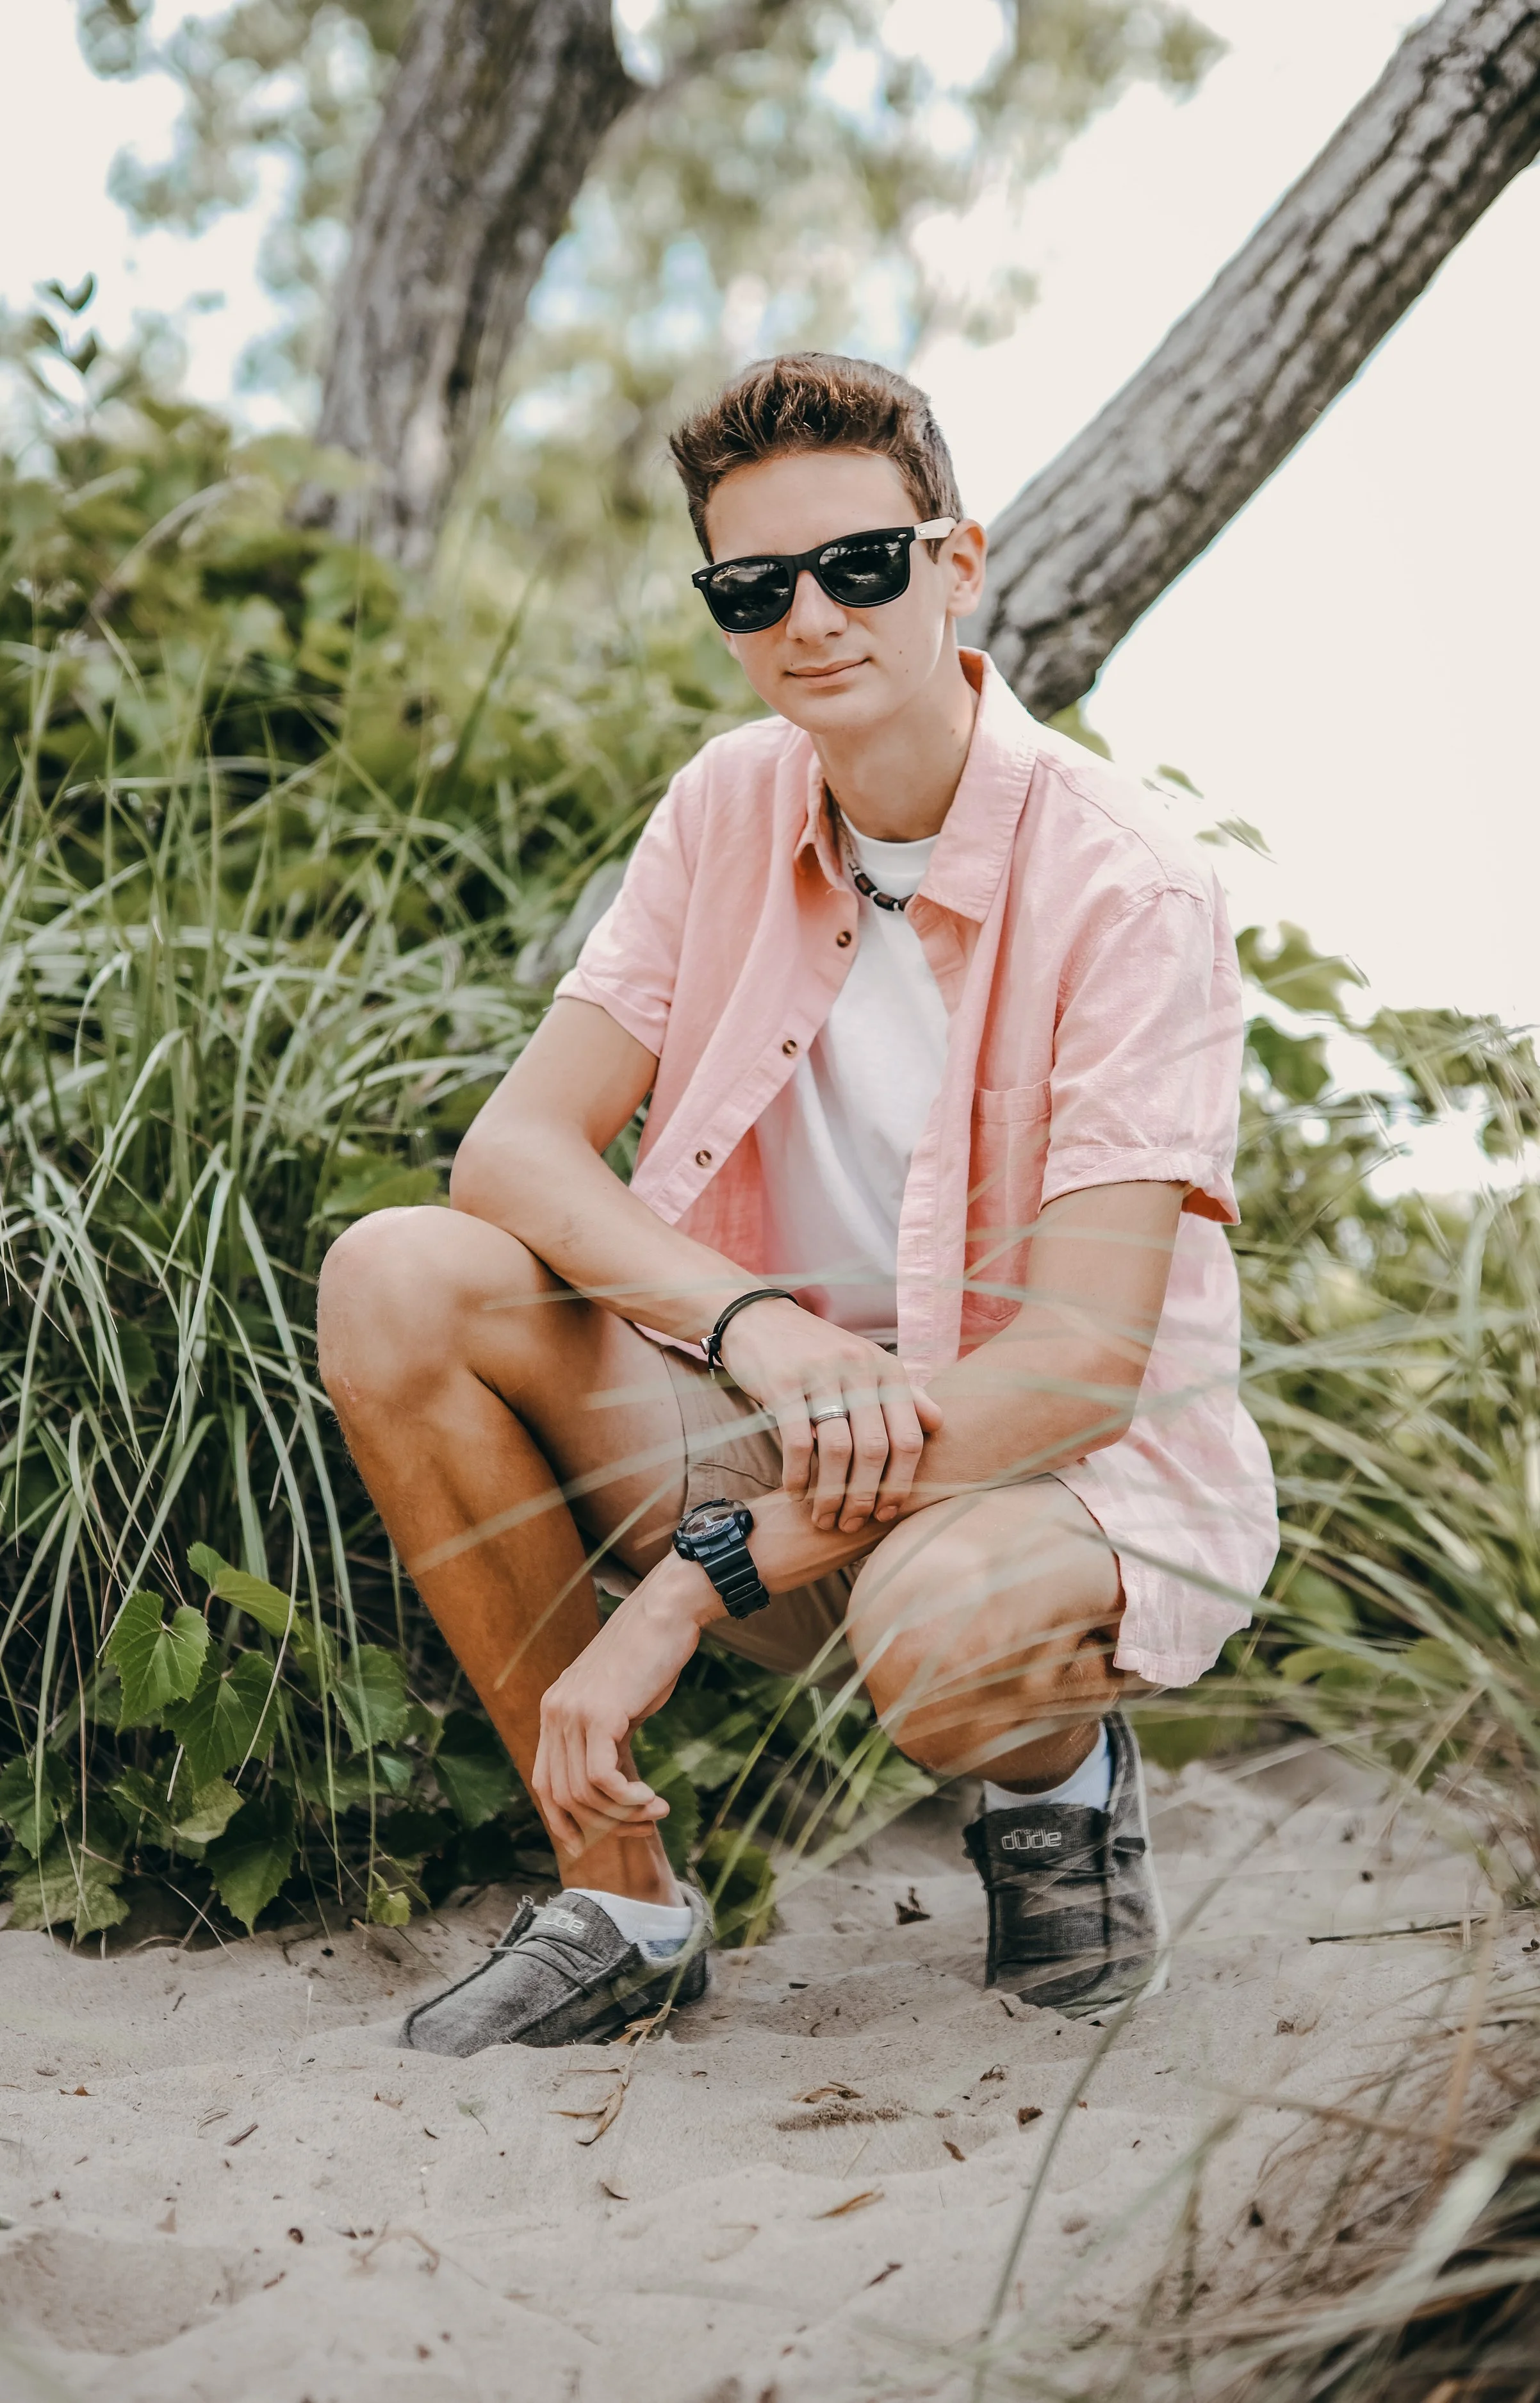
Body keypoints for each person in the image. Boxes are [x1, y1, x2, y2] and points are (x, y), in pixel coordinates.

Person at [316, 352, 1279, 2056]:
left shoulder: (1132, 885)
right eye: (753, 587)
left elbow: (1070, 1373)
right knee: (399, 1276)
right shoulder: (726, 800)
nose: (810, 619)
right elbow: (516, 1153)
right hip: (778, 1421)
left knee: (945, 1628)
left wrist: (684, 1595)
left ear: (955, 560)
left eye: (859, 564)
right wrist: (748, 1324)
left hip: (1042, 1483)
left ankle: (1056, 1785)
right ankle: (615, 1890)